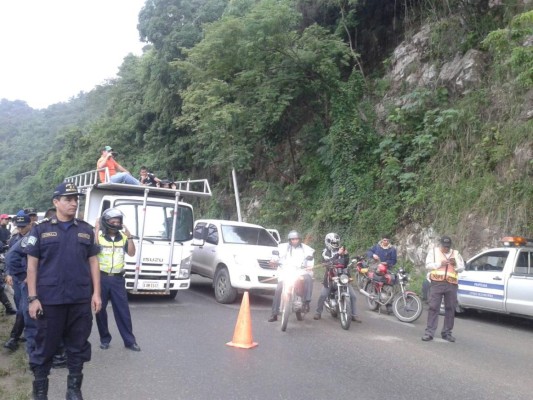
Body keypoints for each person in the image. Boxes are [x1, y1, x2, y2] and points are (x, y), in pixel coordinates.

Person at [24, 182, 102, 400]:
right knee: (44, 347)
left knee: (78, 345)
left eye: (76, 199)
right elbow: (32, 266)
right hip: (49, 301)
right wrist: (32, 298)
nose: (74, 202)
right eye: (68, 199)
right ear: (56, 202)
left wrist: (96, 293)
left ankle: (74, 390)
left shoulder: (85, 230)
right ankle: (40, 392)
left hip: (79, 300)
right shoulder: (41, 230)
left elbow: (94, 262)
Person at [94, 208, 141, 352]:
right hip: (101, 277)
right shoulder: (100, 237)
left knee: (123, 311)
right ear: (106, 222)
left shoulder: (124, 238)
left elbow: (132, 254)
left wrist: (130, 237)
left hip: (118, 279)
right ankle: (105, 339)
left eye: (118, 221)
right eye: (112, 221)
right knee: (100, 310)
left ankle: (129, 341)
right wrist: (96, 230)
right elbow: (93, 250)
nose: (115, 223)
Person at [422, 235, 465, 342]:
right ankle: (429, 333)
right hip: (437, 283)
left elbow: (461, 268)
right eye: (444, 246)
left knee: (450, 309)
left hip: (451, 284)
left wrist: (455, 265)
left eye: (448, 246)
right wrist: (439, 264)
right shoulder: (433, 252)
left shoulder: (456, 253)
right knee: (433, 307)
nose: (446, 248)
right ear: (441, 244)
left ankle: (447, 333)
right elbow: (428, 265)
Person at [268, 230, 314, 322]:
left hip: (300, 271)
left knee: (309, 279)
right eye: (293, 239)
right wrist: (273, 261)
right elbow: (275, 256)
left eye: (296, 239)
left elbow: (310, 258)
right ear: (290, 240)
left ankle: (306, 302)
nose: (295, 241)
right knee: (278, 289)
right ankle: (274, 314)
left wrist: (309, 266)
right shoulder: (282, 247)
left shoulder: (306, 248)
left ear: (299, 239)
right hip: (286, 271)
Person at [3, 212, 33, 351]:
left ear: (30, 224)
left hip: (31, 279)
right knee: (21, 306)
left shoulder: (36, 237)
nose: (21, 229)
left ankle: (15, 337)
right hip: (18, 278)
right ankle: (25, 335)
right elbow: (10, 257)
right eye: (19, 227)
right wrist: (9, 274)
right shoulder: (15, 239)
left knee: (23, 309)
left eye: (23, 226)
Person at [314, 240, 362, 322]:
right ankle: (318, 312)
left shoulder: (342, 251)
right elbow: (328, 261)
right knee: (323, 295)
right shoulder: (326, 252)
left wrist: (346, 255)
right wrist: (338, 254)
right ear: (329, 243)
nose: (335, 245)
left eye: (336, 243)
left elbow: (346, 263)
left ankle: (354, 314)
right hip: (331, 277)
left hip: (343, 277)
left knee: (353, 296)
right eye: (333, 243)